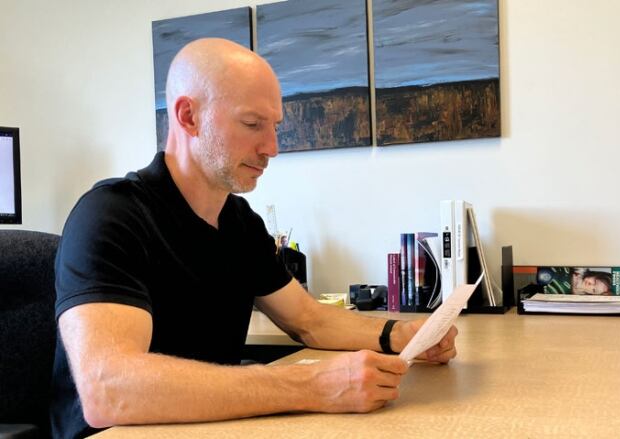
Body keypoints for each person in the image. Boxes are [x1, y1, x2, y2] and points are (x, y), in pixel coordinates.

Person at [50, 38, 458, 439]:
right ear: (189, 117)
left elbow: (309, 320)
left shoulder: (239, 222)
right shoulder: (110, 216)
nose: (273, 148)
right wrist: (311, 387)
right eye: (252, 124)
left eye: (275, 127)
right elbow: (109, 390)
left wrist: (401, 336)